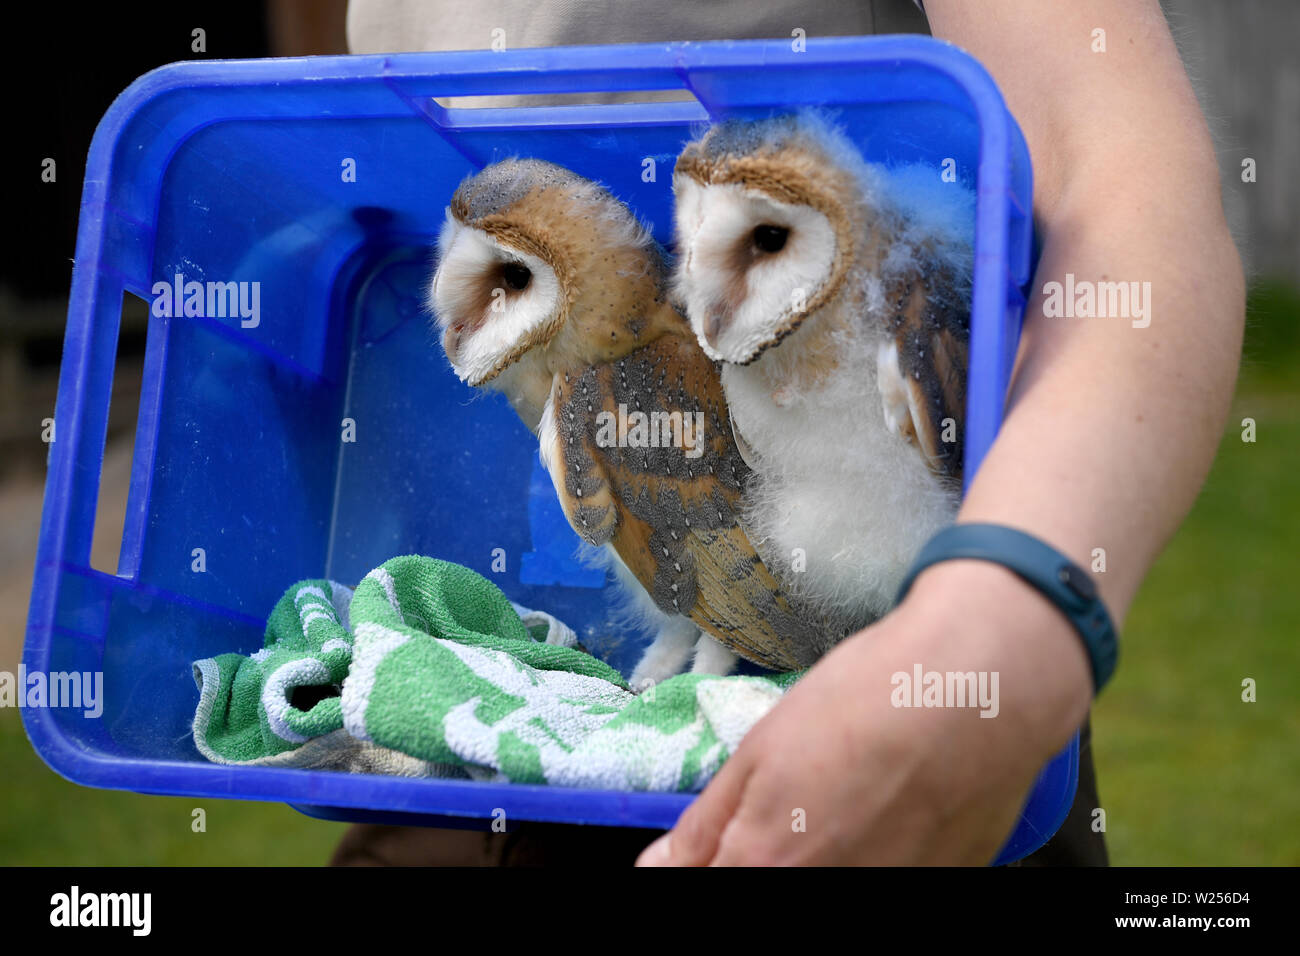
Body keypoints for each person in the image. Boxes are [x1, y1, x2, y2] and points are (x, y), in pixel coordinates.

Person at [332, 0, 1244, 866]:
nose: (709, 302)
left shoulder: (885, 315)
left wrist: (999, 636)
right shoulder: (620, 377)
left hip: (902, 719)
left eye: (762, 245)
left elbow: (1125, 194)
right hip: (475, 766)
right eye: (697, 258)